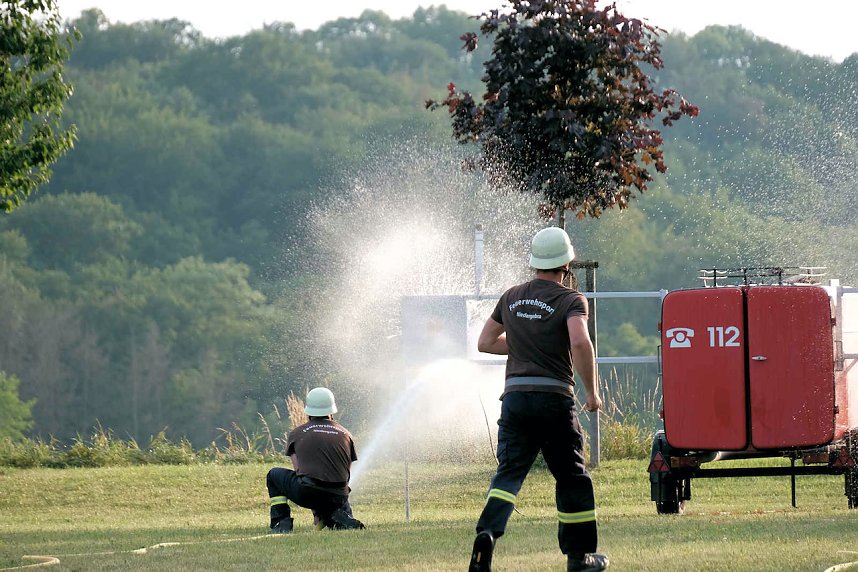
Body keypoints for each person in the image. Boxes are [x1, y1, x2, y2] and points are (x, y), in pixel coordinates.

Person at [468, 226, 609, 572]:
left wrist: (520, 345)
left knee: (509, 474)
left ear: (534, 263)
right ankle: (580, 558)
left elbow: (484, 342)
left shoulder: (512, 295)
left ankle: (487, 534)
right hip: (554, 399)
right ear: (567, 265)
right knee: (572, 476)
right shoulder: (571, 299)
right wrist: (591, 392)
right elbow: (579, 342)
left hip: (515, 399)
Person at [266, 387, 365, 533]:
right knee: (335, 493)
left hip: (309, 493)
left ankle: (281, 522)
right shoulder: (346, 434)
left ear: (308, 411)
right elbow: (345, 474)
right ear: (332, 411)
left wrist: (315, 509)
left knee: (273, 475)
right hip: (339, 496)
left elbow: (300, 472)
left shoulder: (297, 433)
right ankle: (340, 516)